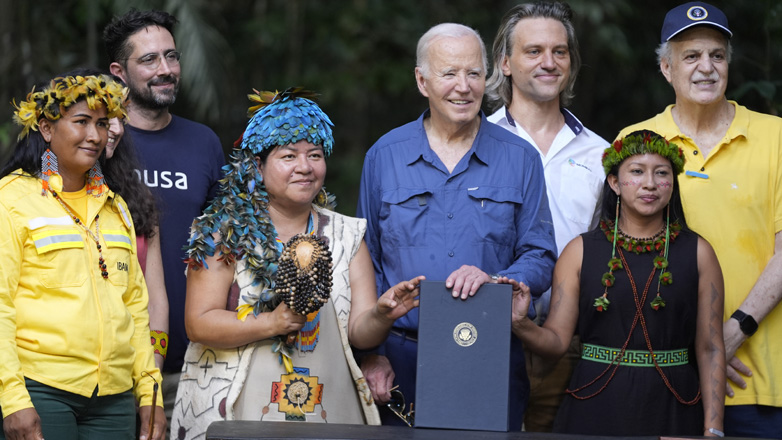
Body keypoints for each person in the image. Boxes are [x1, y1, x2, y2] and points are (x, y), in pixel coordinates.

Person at [170, 88, 423, 439]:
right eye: (288, 156)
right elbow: (199, 323)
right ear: (257, 166)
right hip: (235, 407)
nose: (304, 168)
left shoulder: (346, 235)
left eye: (315, 155)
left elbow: (358, 333)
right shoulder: (223, 233)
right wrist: (273, 321)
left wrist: (382, 315)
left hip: (328, 407)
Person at [356, 23, 557, 429]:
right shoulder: (384, 156)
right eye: (449, 74)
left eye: (474, 73)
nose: (463, 87)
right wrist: (369, 355)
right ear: (422, 80)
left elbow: (540, 253)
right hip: (400, 360)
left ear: (488, 78)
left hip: (490, 351)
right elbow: (365, 262)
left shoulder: (521, 158)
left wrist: (499, 279)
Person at [617, 3, 782, 437]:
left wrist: (732, 332)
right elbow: (619, 257)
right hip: (664, 371)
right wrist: (693, 347)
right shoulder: (635, 142)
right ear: (666, 68)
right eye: (691, 56)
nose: (705, 67)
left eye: (717, 55)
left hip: (756, 378)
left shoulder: (777, 137)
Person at [511, 131, 725, 436]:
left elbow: (710, 348)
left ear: (672, 183)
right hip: (594, 404)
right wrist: (521, 324)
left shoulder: (699, 253)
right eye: (637, 172)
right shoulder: (579, 252)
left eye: (661, 173)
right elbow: (556, 342)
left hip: (674, 404)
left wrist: (714, 429)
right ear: (614, 183)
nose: (649, 183)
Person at [0, 74, 165, 440]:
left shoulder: (116, 207)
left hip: (115, 398)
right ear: (45, 128)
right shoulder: (11, 200)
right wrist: (13, 399)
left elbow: (137, 309)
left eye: (102, 124)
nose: (95, 136)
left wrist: (149, 392)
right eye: (81, 122)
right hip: (42, 390)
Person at [485, 2, 607, 431]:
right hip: (485, 335)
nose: (548, 62)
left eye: (560, 52)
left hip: (573, 344)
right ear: (505, 62)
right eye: (533, 50)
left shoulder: (601, 154)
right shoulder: (475, 146)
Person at [103, 8, 226, 417]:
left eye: (171, 56)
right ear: (119, 71)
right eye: (149, 60)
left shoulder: (203, 141)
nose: (166, 69)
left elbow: (226, 242)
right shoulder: (98, 143)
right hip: (113, 364)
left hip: (195, 362)